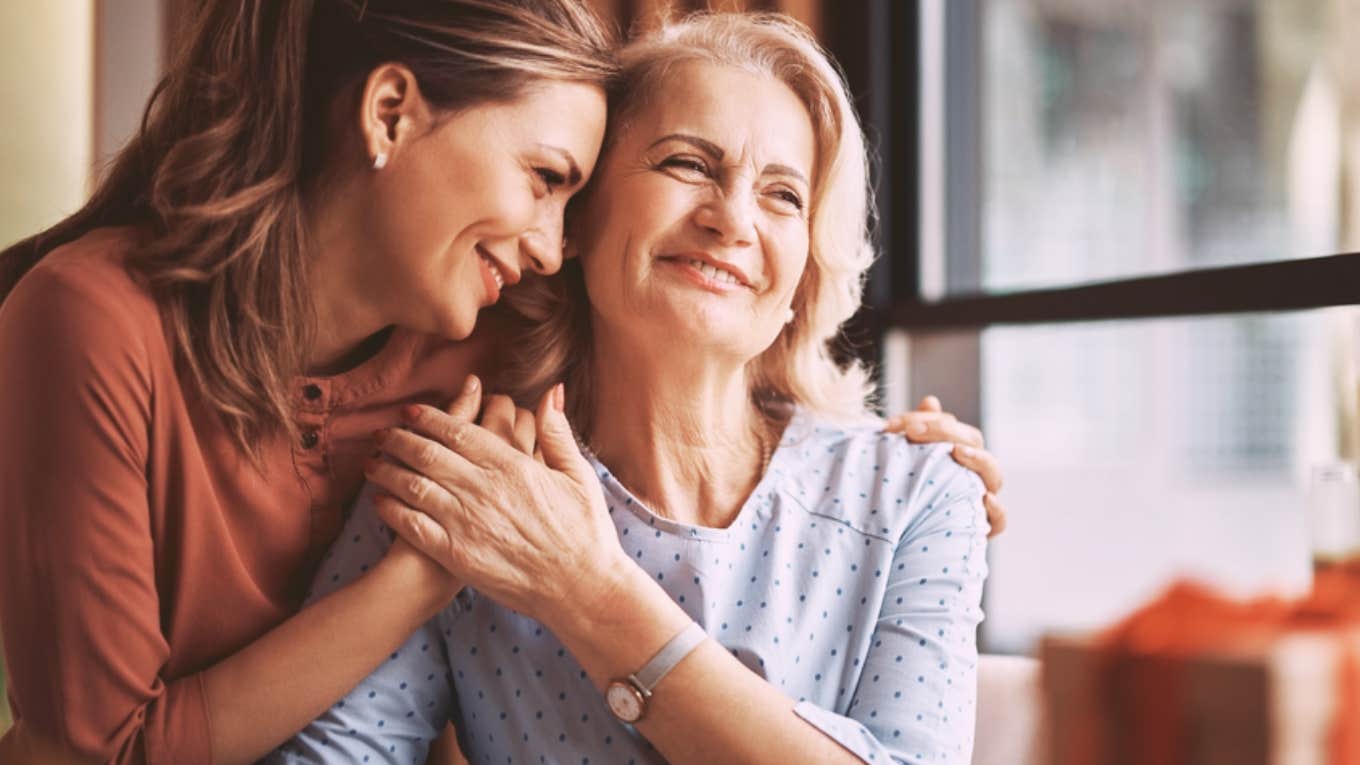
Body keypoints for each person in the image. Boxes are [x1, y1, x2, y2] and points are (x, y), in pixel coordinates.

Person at [0, 3, 1000, 764]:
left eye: (784, 195)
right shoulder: (476, 450)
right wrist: (424, 579)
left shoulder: (912, 493)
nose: (734, 219)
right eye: (686, 165)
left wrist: (592, 593)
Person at [0, 2, 615, 762]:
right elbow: (101, 752)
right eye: (544, 178)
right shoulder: (90, 322)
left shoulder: (494, 373)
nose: (552, 248)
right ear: (390, 114)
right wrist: (419, 576)